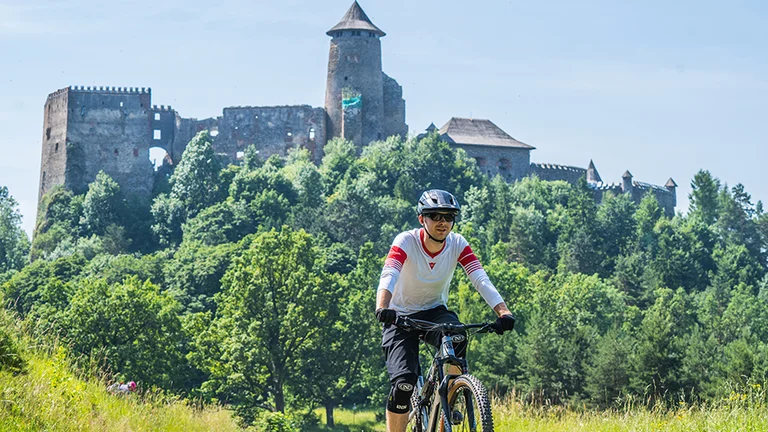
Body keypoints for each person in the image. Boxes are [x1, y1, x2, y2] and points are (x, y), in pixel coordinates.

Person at [375, 189, 516, 432]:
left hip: (434, 311)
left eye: (448, 217)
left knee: (458, 335)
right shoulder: (406, 241)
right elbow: (390, 273)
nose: (443, 222)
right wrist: (383, 306)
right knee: (404, 386)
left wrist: (503, 312)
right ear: (422, 219)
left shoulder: (457, 243)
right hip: (399, 316)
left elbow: (480, 278)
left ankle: (448, 402)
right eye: (435, 216)